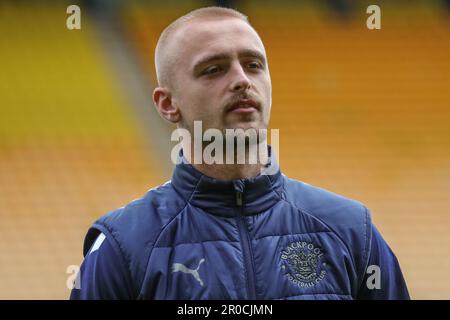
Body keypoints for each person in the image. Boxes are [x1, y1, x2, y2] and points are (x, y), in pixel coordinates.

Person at [70, 6, 410, 300]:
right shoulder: (122, 246)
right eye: (214, 69)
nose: (241, 80)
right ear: (167, 104)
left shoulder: (351, 229)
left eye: (253, 65)